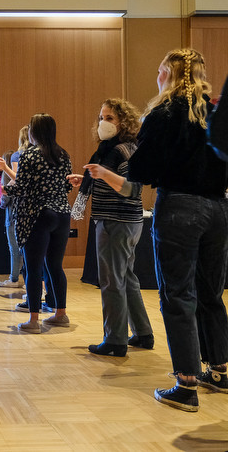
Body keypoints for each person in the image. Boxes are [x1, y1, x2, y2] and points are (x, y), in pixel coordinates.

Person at [127, 48, 228, 412]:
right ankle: (219, 369)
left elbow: (142, 169)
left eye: (159, 71)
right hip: (219, 209)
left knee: (178, 294)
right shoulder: (215, 111)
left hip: (180, 208)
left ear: (168, 75)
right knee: (211, 292)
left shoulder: (164, 113)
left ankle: (186, 383)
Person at [67, 98, 153, 357]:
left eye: (110, 118)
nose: (103, 123)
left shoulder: (124, 150)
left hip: (118, 221)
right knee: (126, 279)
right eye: (102, 117)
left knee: (112, 281)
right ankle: (142, 333)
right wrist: (89, 178)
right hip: (123, 222)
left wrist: (102, 174)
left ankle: (115, 341)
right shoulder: (113, 149)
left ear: (123, 121)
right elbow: (115, 180)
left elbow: (132, 188)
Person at [3, 113, 72, 334]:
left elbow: (21, 187)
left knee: (33, 268)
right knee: (55, 266)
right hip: (62, 214)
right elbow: (67, 186)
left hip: (37, 216)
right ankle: (60, 314)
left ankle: (33, 321)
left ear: (34, 131)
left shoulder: (29, 155)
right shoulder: (64, 154)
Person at [0, 126, 29, 289]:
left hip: (13, 216)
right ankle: (29, 280)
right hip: (30, 214)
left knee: (15, 249)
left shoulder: (10, 177)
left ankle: (14, 279)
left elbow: (4, 201)